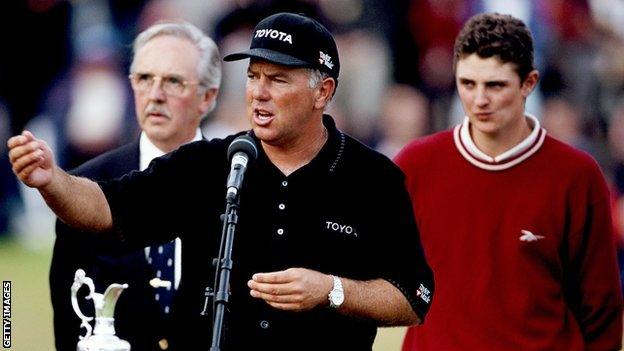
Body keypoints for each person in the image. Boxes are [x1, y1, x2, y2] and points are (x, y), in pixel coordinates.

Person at [8, 12, 434, 350]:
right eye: (252, 76)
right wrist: (52, 181)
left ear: (322, 92)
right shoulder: (211, 163)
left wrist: (332, 291)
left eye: (278, 79)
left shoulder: (374, 178)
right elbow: (106, 208)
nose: (258, 93)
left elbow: (413, 299)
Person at [395, 13, 623, 351]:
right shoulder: (415, 164)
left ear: (529, 83)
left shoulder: (577, 175)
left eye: (495, 85)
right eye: (467, 84)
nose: (479, 100)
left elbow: (601, 309)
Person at [48, 22, 221, 351]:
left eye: (173, 81)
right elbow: (68, 323)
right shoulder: (86, 186)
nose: (155, 95)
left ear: (207, 97)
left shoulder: (237, 182)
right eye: (144, 79)